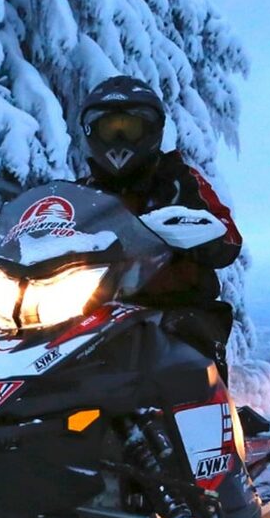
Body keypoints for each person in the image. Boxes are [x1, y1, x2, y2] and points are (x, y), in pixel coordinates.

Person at [77, 75, 243, 378]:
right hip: (96, 313)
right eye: (110, 129)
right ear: (92, 133)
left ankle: (204, 420)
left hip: (174, 309)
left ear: (152, 131)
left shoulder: (180, 182)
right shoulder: (81, 195)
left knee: (193, 361)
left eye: (129, 128)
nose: (119, 139)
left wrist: (196, 232)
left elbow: (229, 238)